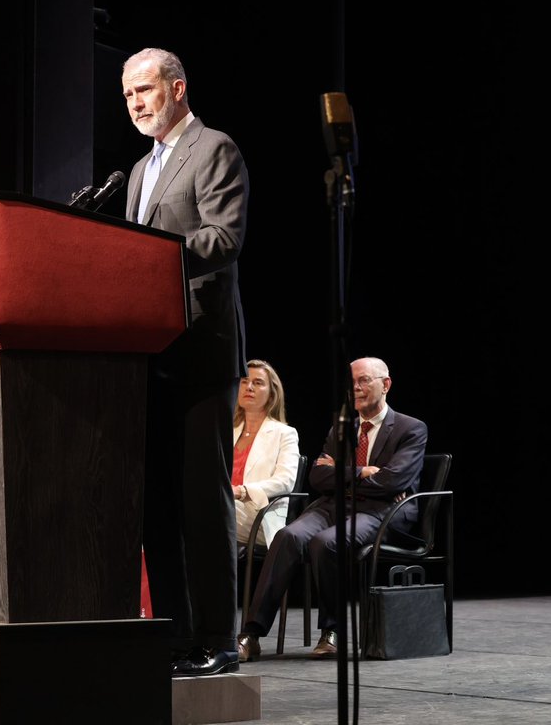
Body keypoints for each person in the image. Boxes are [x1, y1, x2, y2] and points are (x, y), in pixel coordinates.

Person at [121, 48, 249, 676]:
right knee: (158, 507)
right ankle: (174, 636)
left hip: (201, 354)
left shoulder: (215, 148)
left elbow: (223, 239)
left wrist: (145, 252)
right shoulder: (140, 171)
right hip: (151, 355)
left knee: (202, 504)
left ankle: (219, 641)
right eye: (127, 96)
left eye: (144, 90)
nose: (136, 103)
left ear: (177, 88)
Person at [237, 357, 427, 661]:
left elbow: (393, 481)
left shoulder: (410, 428)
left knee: (326, 542)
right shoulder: (341, 428)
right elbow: (317, 476)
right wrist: (364, 472)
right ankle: (252, 633)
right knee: (288, 536)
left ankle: (332, 630)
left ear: (385, 384)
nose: (356, 388)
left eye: (364, 380)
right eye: (351, 383)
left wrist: (342, 472)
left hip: (381, 512)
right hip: (332, 506)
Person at [233, 360, 300, 547]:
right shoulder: (227, 432)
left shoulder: (285, 433)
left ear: (272, 394)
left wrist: (242, 491)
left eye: (258, 382)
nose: (249, 387)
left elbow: (285, 481)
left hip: (259, 515)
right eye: (244, 381)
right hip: (225, 508)